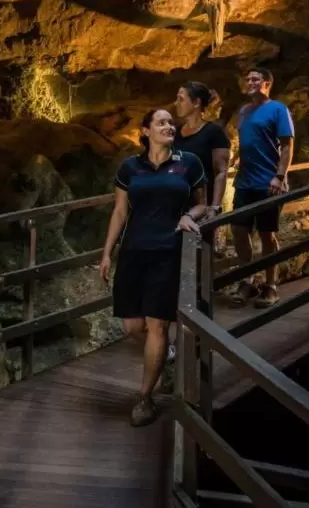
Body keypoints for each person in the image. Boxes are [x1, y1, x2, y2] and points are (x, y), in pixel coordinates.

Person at [99, 108, 207, 427]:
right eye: (161, 122)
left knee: (157, 325)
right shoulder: (130, 167)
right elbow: (119, 212)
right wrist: (106, 253)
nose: (168, 126)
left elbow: (202, 201)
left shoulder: (188, 163)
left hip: (168, 251)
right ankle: (168, 353)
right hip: (134, 252)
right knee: (133, 328)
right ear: (145, 131)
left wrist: (190, 216)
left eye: (171, 122)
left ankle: (145, 397)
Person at [229, 67, 294, 308]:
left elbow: (287, 146)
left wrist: (279, 175)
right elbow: (246, 141)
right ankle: (247, 280)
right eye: (247, 79)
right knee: (238, 229)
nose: (250, 83)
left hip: (268, 181)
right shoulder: (244, 111)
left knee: (267, 233)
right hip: (245, 181)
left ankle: (270, 286)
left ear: (267, 83)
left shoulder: (278, 109)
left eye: (255, 79)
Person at [173, 81, 231, 222]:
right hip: (176, 203)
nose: (176, 103)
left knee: (200, 243)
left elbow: (221, 172)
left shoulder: (214, 133)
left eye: (181, 99)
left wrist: (214, 207)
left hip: (202, 204)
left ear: (196, 103)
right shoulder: (175, 133)